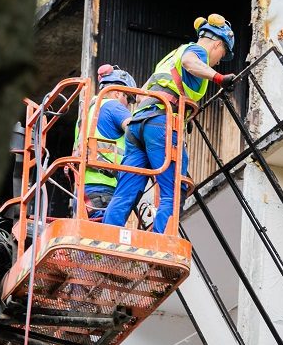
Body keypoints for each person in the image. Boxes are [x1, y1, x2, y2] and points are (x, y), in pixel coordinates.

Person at [103, 14, 237, 233]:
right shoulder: (197, 52)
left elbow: (140, 95)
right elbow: (189, 63)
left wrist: (184, 112)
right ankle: (159, 247)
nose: (220, 60)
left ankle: (105, 241)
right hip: (160, 124)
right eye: (223, 53)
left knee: (126, 192)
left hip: (138, 125)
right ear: (217, 44)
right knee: (174, 191)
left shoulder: (168, 58)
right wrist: (219, 78)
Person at [73, 65, 137, 220]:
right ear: (118, 93)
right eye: (128, 100)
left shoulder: (87, 113)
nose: (128, 106)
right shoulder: (113, 105)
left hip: (83, 190)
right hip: (103, 190)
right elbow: (136, 131)